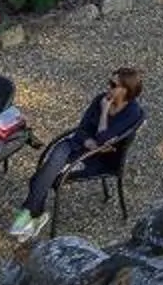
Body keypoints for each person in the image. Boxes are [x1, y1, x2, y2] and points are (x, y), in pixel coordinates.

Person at [8, 67, 144, 239]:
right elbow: (82, 129)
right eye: (109, 82)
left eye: (113, 84)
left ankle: (32, 215)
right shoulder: (99, 100)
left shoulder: (131, 112)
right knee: (49, 166)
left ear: (126, 90)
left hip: (98, 159)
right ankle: (33, 214)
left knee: (40, 177)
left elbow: (103, 139)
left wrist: (104, 112)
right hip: (78, 145)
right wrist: (89, 141)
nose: (108, 87)